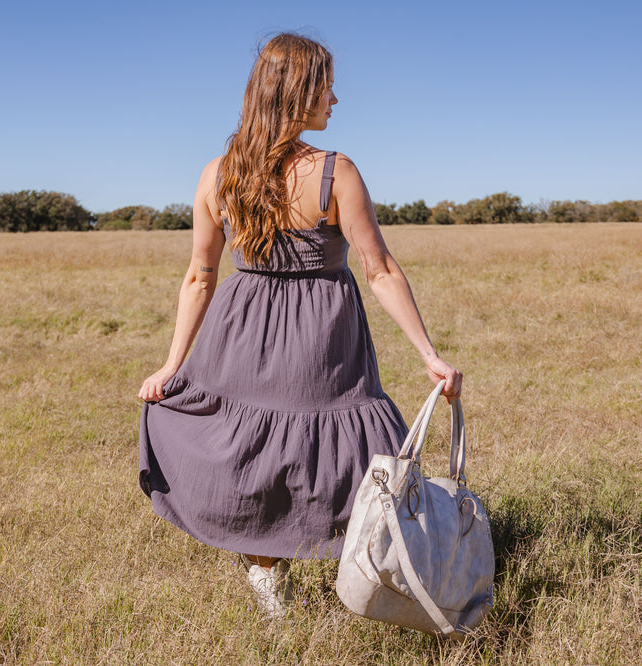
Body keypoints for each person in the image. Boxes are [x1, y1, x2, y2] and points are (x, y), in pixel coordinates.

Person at [137, 33, 462, 618]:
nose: (335, 99)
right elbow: (380, 269)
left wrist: (173, 364)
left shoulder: (218, 175)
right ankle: (363, 575)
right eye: (326, 86)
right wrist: (428, 353)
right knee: (347, 453)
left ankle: (270, 582)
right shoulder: (337, 172)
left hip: (243, 330)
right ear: (297, 92)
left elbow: (199, 276)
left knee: (253, 453)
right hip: (321, 338)